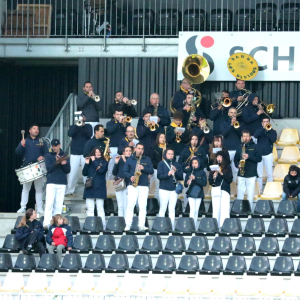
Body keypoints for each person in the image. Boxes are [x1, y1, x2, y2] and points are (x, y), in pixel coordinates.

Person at [15, 124, 48, 213]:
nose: (36, 130)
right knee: (26, 189)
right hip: (27, 168)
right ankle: (23, 207)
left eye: (37, 129)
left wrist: (43, 157)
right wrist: (21, 145)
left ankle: (40, 208)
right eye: (34, 129)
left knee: (39, 189)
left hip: (38, 167)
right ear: (30, 130)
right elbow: (17, 152)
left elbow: (47, 153)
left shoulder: (41, 141)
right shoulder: (25, 141)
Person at [123, 143, 154, 231]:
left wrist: (143, 168)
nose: (140, 151)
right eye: (139, 149)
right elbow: (124, 171)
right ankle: (128, 225)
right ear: (135, 149)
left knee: (143, 206)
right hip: (132, 185)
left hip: (144, 185)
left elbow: (151, 171)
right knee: (130, 205)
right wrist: (130, 176)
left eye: (142, 149)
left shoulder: (147, 159)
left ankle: (141, 225)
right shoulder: (130, 159)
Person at [44, 139, 70, 229]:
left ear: (59, 145)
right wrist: (57, 162)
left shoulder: (65, 156)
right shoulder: (48, 155)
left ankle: (57, 223)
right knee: (49, 203)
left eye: (55, 145)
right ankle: (47, 223)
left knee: (59, 204)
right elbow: (49, 169)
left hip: (61, 182)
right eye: (53, 146)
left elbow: (68, 170)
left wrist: (63, 164)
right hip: (51, 181)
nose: (54, 147)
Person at [65, 114, 93, 196]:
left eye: (82, 117)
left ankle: (87, 189)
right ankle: (70, 190)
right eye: (79, 118)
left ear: (85, 118)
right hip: (75, 152)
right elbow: (70, 134)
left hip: (85, 152)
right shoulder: (73, 126)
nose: (81, 119)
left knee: (86, 172)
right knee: (72, 172)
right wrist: (77, 126)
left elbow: (89, 134)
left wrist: (83, 126)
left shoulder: (88, 126)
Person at [234, 130, 262, 209]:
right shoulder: (239, 147)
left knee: (250, 193)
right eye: (244, 136)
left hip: (251, 173)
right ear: (241, 137)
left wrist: (249, 156)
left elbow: (259, 159)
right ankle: (239, 209)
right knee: (240, 192)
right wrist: (238, 165)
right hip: (241, 174)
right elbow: (235, 159)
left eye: (247, 136)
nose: (245, 138)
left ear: (250, 137)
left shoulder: (255, 146)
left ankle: (249, 209)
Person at [157, 148, 183, 230]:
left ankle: (171, 226)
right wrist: (167, 174)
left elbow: (181, 177)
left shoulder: (177, 164)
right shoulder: (161, 163)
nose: (171, 155)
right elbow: (159, 176)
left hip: (173, 189)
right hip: (164, 189)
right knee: (162, 208)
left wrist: (176, 171)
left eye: (172, 154)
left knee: (172, 209)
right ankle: (161, 226)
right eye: (169, 154)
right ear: (165, 155)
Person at [82, 147, 108, 228]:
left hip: (100, 186)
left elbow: (101, 171)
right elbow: (84, 173)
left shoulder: (104, 162)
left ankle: (102, 226)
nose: (98, 154)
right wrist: (86, 163)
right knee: (90, 208)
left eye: (99, 152)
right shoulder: (89, 162)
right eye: (96, 152)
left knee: (100, 208)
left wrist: (94, 161)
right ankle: (90, 226)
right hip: (90, 186)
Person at [208, 151, 233, 228]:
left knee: (224, 209)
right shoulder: (213, 168)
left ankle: (224, 227)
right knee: (216, 209)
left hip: (224, 190)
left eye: (221, 157)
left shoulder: (228, 167)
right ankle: (215, 226)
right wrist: (214, 177)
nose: (219, 158)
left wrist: (221, 173)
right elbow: (210, 182)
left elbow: (229, 179)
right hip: (216, 190)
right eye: (218, 157)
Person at [254, 117, 277, 193]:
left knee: (269, 173)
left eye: (267, 121)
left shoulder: (273, 131)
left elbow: (273, 140)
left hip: (268, 154)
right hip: (259, 154)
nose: (266, 123)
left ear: (269, 123)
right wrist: (263, 129)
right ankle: (260, 189)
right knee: (259, 174)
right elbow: (256, 135)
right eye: (264, 121)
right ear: (262, 123)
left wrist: (269, 131)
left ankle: (269, 189)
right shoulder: (259, 130)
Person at [220, 107, 243, 182]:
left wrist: (236, 126)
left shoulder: (240, 123)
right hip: (227, 149)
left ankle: (234, 186)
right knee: (226, 169)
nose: (233, 114)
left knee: (236, 169)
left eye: (234, 113)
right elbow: (224, 134)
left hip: (236, 149)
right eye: (231, 112)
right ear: (228, 113)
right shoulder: (223, 123)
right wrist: (231, 125)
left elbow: (241, 134)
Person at [106, 109, 130, 180]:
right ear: (114, 115)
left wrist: (124, 124)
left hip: (123, 148)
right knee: (111, 168)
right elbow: (110, 130)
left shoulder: (126, 123)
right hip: (113, 148)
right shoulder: (110, 123)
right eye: (118, 114)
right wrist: (118, 123)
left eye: (121, 114)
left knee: (123, 167)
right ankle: (109, 186)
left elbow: (128, 132)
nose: (120, 116)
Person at [184, 157, 207, 227]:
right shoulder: (189, 172)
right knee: (192, 210)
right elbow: (185, 184)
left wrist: (195, 179)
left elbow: (204, 183)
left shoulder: (202, 172)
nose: (194, 165)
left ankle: (194, 225)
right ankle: (191, 226)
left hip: (199, 193)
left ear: (199, 164)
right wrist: (187, 182)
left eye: (196, 163)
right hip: (191, 193)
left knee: (196, 211)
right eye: (193, 163)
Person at [112, 146, 133, 217]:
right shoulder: (120, 160)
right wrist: (116, 163)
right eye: (126, 151)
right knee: (120, 205)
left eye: (130, 151)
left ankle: (126, 221)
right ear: (123, 152)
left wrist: (124, 160)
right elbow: (114, 172)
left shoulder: (132, 160)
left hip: (127, 184)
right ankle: (120, 221)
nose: (128, 152)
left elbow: (129, 171)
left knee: (126, 204)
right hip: (119, 183)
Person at [149, 133, 167, 202]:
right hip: (157, 169)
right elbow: (152, 160)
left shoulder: (168, 148)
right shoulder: (154, 148)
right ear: (158, 139)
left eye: (164, 138)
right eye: (161, 137)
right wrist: (160, 165)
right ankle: (157, 205)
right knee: (158, 188)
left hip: (167, 171)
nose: (163, 139)